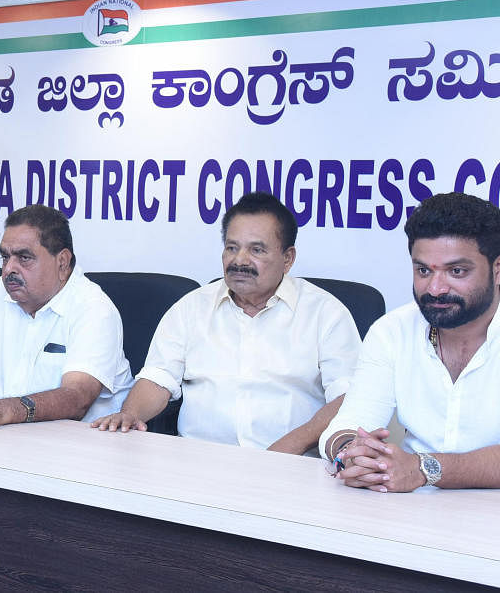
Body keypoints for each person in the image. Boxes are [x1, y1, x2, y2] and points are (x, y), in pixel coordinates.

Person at [321, 192, 500, 497]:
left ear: (499, 268)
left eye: (456, 271)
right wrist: (351, 453)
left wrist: (423, 468)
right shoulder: (391, 331)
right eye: (423, 270)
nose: (435, 288)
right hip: (419, 514)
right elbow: (348, 424)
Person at [91, 193, 361, 455]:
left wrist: (292, 447)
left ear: (288, 258)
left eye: (256, 250)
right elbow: (158, 379)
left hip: (291, 465)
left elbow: (349, 398)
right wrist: (130, 414)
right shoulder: (191, 308)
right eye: (232, 247)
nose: (240, 260)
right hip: (197, 462)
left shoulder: (325, 314)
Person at [0, 204, 132, 428]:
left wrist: (4, 410)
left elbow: (77, 397)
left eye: (24, 258)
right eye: (5, 257)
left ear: (62, 262)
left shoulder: (94, 308)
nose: (8, 270)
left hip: (76, 447)